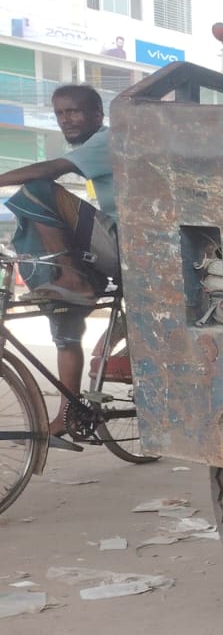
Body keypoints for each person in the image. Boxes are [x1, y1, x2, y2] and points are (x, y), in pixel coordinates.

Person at [0, 84, 118, 438]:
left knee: (36, 190)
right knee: (64, 323)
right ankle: (69, 413)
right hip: (110, 242)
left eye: (74, 111)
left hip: (123, 241)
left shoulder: (107, 139)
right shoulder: (94, 148)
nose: (66, 119)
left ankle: (71, 276)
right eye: (60, 113)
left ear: (97, 114)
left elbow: (51, 168)